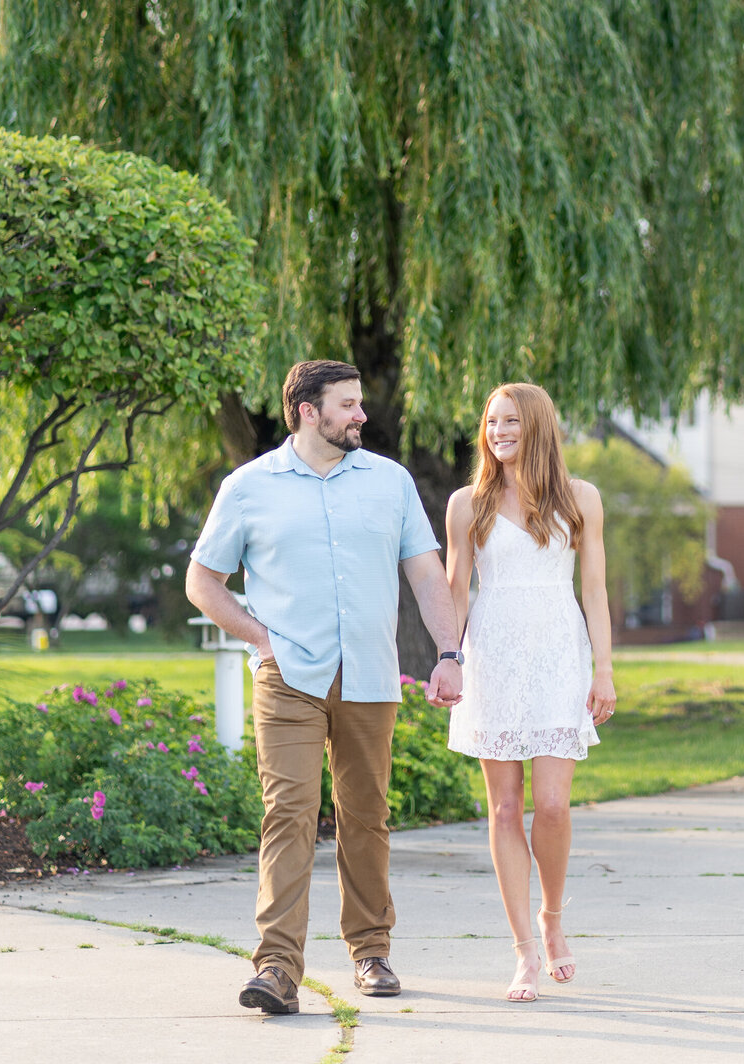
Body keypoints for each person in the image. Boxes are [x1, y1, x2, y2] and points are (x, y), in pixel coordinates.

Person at [186, 359, 464, 1016]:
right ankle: (278, 966)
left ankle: (371, 950)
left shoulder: (390, 483)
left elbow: (428, 577)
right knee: (288, 813)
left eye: (360, 403)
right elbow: (203, 581)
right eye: (347, 405)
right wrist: (260, 640)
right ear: (308, 411)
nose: (361, 415)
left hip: (370, 673)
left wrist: (450, 653)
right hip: (289, 678)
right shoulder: (250, 487)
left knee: (365, 816)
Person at [445, 382, 615, 1003]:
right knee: (503, 808)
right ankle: (522, 953)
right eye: (491, 422)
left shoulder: (580, 499)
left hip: (556, 654)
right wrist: (449, 660)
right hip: (493, 656)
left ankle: (551, 916)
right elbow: (456, 589)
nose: (497, 432)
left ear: (537, 425)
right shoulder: (469, 502)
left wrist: (605, 670)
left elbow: (593, 590)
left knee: (552, 805)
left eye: (510, 421)